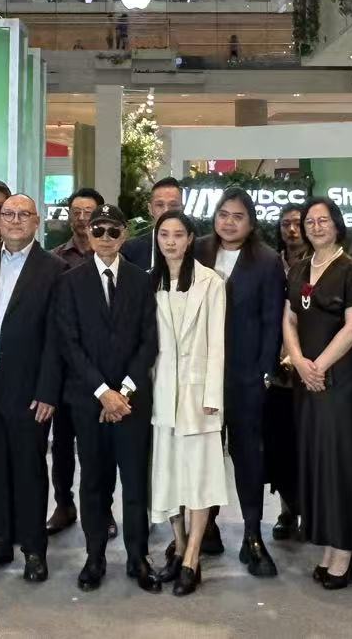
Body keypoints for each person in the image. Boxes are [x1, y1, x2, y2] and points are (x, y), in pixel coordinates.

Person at [52, 203, 159, 593]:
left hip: (131, 402)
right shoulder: (70, 281)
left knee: (135, 483)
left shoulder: (142, 280)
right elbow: (69, 342)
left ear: (124, 234)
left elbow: (149, 341)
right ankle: (94, 556)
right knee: (94, 483)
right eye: (98, 230)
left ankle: (138, 557)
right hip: (89, 401)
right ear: (88, 233)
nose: (106, 238)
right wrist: (103, 393)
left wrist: (123, 392)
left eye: (114, 231)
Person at [0, 194, 63, 583]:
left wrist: (48, 390)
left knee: (28, 469)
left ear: (36, 221)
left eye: (23, 214)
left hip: (29, 389)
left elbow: (57, 337)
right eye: (8, 214)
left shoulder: (53, 268)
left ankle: (33, 549)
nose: (14, 220)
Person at [192, 187, 284, 576]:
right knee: (204, 454)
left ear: (251, 222)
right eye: (223, 214)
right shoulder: (198, 250)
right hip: (201, 375)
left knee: (248, 457)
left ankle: (252, 535)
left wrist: (265, 373)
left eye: (238, 216)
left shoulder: (267, 260)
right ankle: (205, 529)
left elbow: (272, 321)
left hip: (246, 376)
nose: (229, 222)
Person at [283, 196, 352, 589]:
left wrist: (318, 366)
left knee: (342, 463)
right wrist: (301, 363)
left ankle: (345, 550)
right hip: (307, 380)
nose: (316, 227)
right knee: (316, 463)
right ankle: (328, 545)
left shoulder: (349, 268)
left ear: (337, 224)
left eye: (323, 220)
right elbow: (289, 318)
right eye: (309, 222)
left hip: (341, 381)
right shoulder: (300, 268)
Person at [144, 210, 227, 597]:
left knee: (199, 477)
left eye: (178, 234)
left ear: (191, 238)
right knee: (168, 476)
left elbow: (217, 343)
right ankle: (178, 546)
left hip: (198, 397)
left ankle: (193, 556)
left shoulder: (211, 282)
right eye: (164, 234)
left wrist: (212, 396)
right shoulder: (150, 282)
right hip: (162, 394)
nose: (171, 241)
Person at [47, 187, 102, 536]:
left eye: (89, 213)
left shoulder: (113, 254)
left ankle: (102, 510)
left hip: (102, 369)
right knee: (63, 443)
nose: (82, 219)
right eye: (76, 212)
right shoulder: (54, 259)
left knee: (98, 446)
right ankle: (63, 504)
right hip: (65, 368)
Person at [265, 202, 307, 540]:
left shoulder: (319, 263)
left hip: (311, 367)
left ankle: (312, 509)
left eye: (297, 223)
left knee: (308, 446)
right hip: (275, 372)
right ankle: (287, 511)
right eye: (285, 224)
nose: (292, 230)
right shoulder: (270, 263)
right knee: (280, 445)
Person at [123, 177, 182, 270]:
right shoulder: (130, 251)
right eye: (160, 205)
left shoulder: (198, 249)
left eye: (173, 205)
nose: (166, 211)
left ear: (182, 209)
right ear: (150, 209)